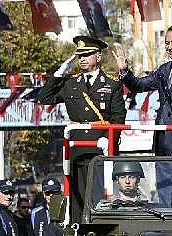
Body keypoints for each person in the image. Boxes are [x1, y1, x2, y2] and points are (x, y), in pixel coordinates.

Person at [113, 24, 172, 208]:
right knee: (166, 195)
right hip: (163, 139)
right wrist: (125, 71)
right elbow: (139, 86)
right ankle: (169, 235)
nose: (169, 47)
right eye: (166, 43)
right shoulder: (164, 69)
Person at [40, 35, 126, 207]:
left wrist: (110, 141)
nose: (82, 59)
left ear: (98, 56)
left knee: (100, 197)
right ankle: (79, 231)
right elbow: (46, 98)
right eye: (80, 56)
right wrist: (58, 74)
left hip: (100, 146)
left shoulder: (112, 83)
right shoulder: (70, 83)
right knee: (77, 197)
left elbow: (118, 116)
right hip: (77, 148)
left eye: (87, 55)